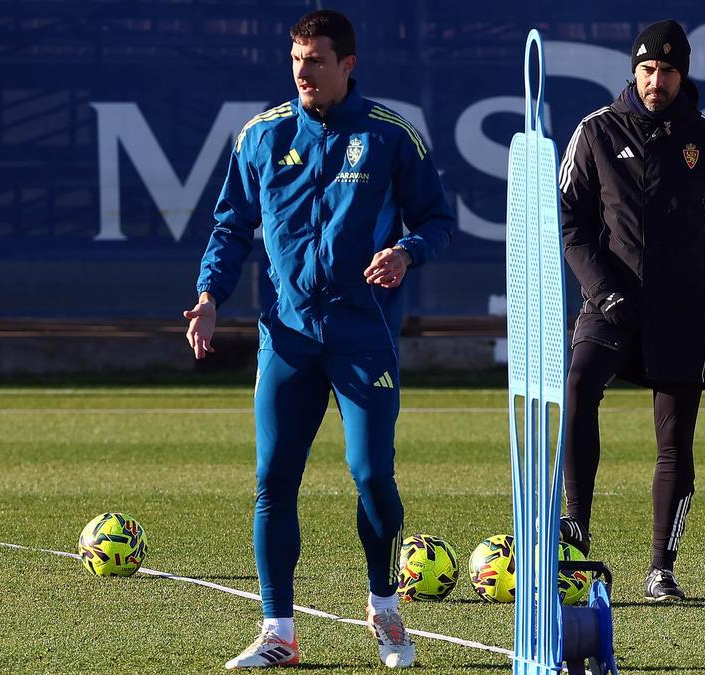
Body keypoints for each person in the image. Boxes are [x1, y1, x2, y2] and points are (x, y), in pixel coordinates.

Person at [184, 10, 453, 669]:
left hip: (363, 336)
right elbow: (229, 228)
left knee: (371, 475)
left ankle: (385, 607)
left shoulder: (390, 135)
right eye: (296, 60)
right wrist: (209, 296)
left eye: (317, 62)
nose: (303, 72)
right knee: (273, 480)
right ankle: (279, 630)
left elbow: (438, 219)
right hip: (288, 338)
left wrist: (407, 252)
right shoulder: (262, 136)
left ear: (348, 65)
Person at [556, 19, 705, 602]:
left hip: (684, 311)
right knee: (578, 385)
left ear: (682, 74)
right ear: (633, 70)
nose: (655, 81)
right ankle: (575, 533)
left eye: (667, 71)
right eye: (646, 69)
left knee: (674, 442)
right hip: (609, 302)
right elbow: (569, 222)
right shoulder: (595, 131)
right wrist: (601, 288)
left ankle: (661, 568)